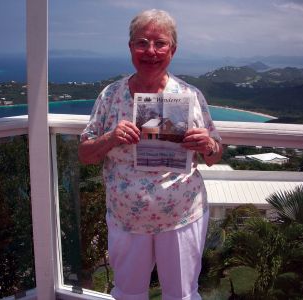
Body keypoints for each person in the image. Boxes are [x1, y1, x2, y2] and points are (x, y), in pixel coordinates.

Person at [78, 9, 223, 300]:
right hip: (126, 218)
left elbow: (215, 154)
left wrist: (207, 144)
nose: (151, 51)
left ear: (173, 49)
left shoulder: (190, 96)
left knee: (181, 294)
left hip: (182, 215)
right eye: (142, 42)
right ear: (130, 47)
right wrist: (110, 137)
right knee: (128, 294)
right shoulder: (110, 96)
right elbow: (85, 154)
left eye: (160, 43)